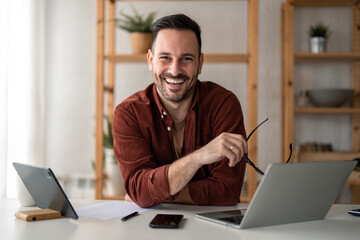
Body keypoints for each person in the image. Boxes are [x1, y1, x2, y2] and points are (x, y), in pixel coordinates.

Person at [113, 14, 247, 208]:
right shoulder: (128, 114)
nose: (175, 71)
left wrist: (154, 193)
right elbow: (140, 190)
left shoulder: (224, 105)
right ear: (150, 60)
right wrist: (199, 157)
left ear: (200, 63)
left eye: (186, 58)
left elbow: (227, 192)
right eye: (165, 58)